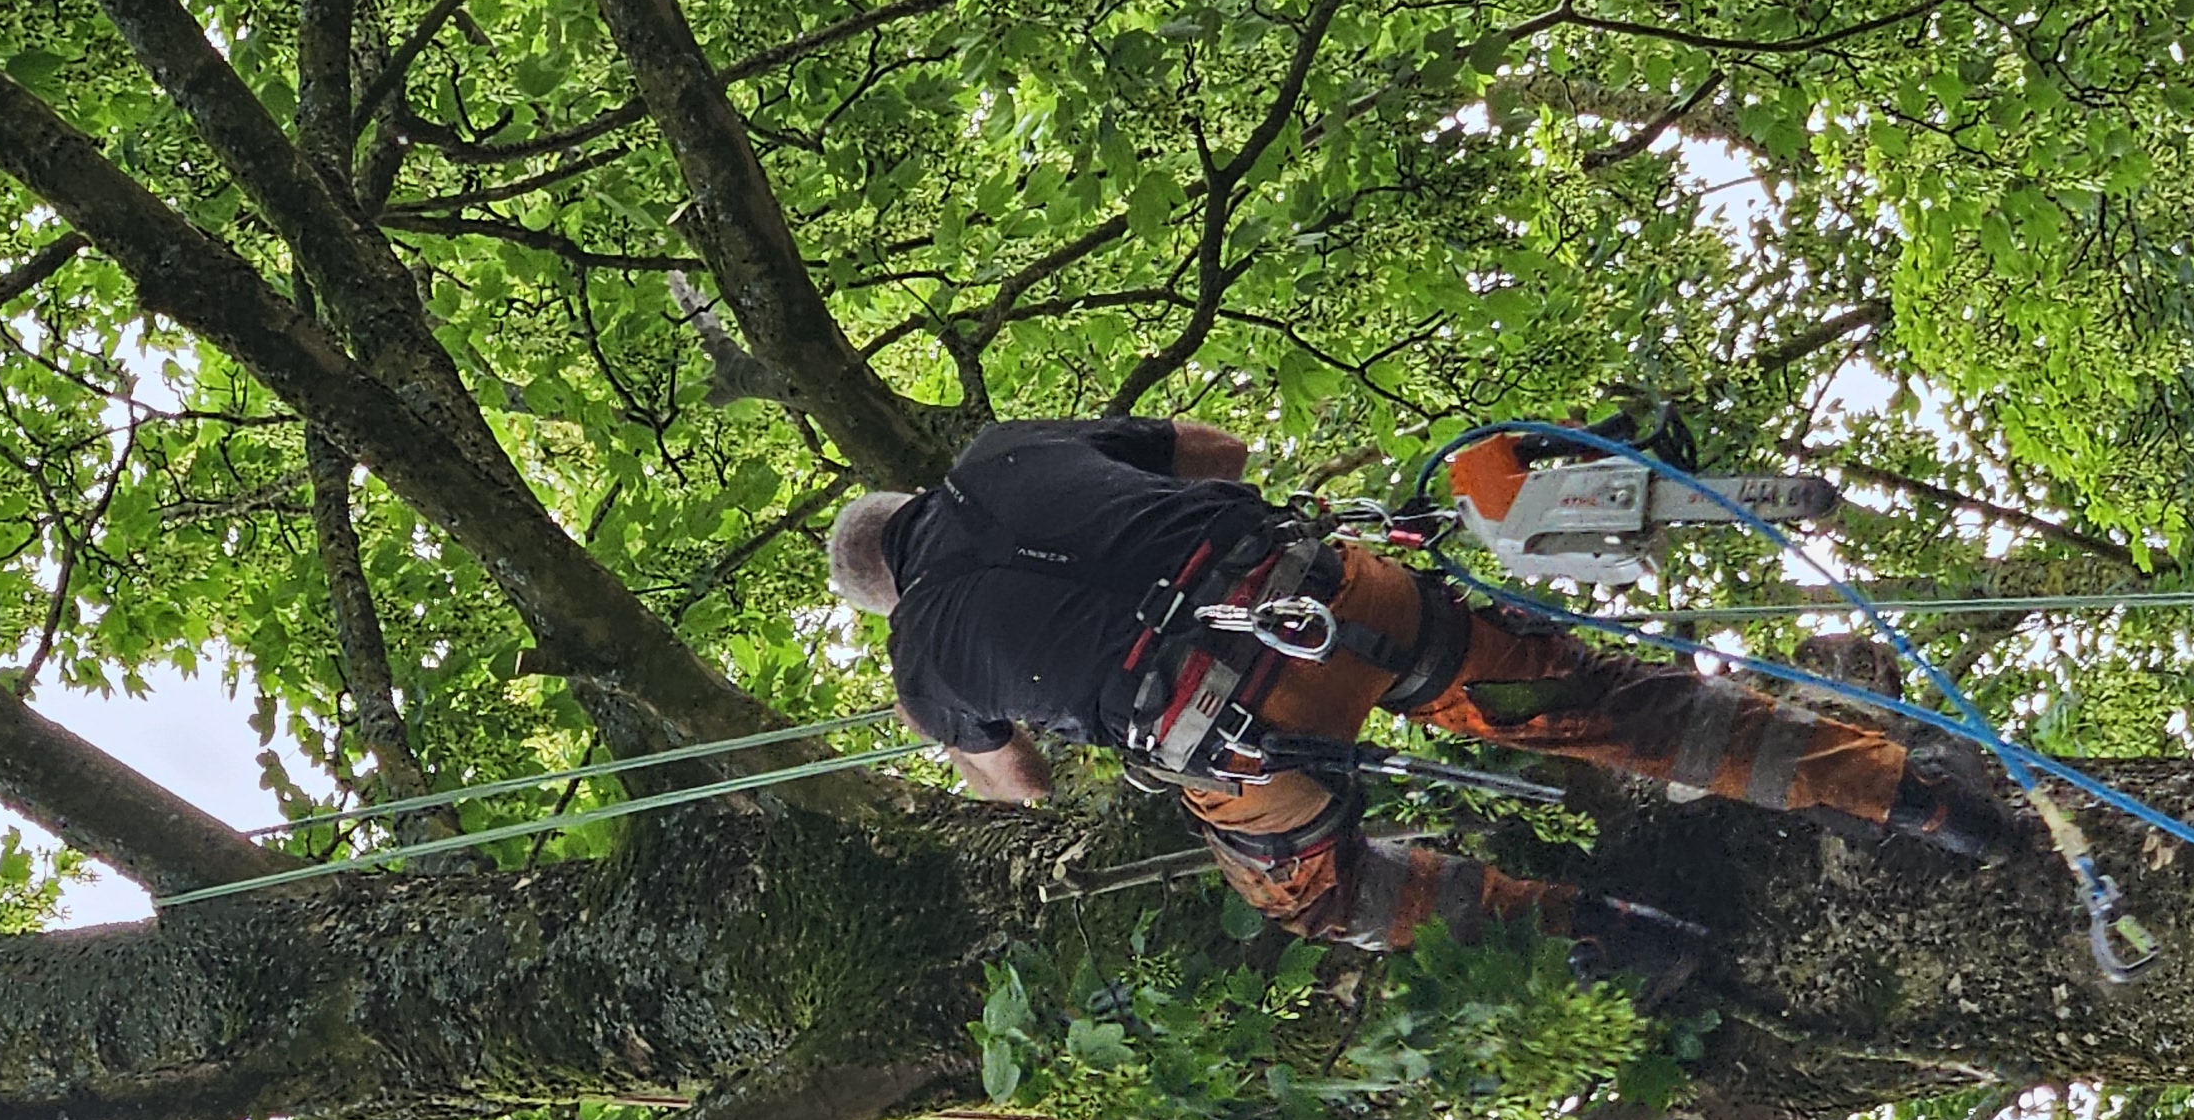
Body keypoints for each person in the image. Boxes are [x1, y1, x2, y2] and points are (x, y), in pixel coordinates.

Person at [827, 414, 2014, 974]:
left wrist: (961, 722)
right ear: (911, 504)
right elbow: (1220, 454)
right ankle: (1904, 791)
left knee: (1322, 897)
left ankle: (1602, 942)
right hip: (1336, 603)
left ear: (888, 593)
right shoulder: (1000, 451)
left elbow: (1021, 786)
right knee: (1601, 701)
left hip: (1237, 745)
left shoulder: (920, 666)